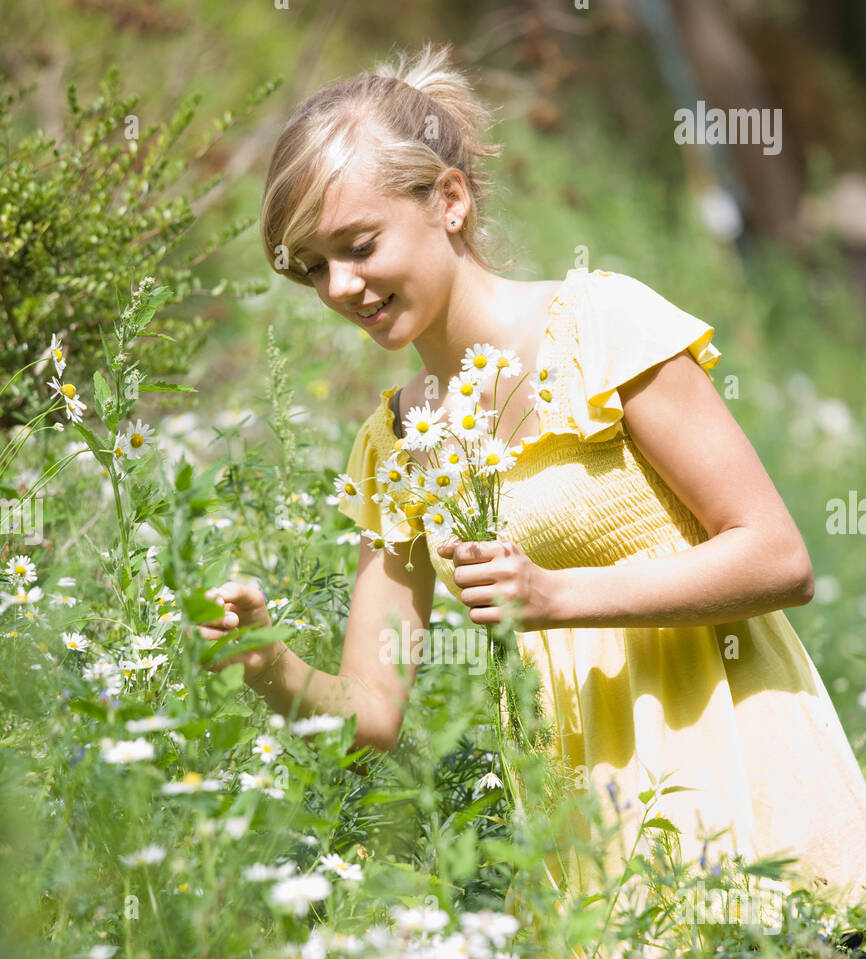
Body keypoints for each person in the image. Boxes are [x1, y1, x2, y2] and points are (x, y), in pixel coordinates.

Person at [197, 41, 866, 914]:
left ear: (449, 199)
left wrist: (556, 596)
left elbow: (778, 558)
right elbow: (373, 715)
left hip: (752, 799)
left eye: (357, 246)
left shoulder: (601, 328)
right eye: (314, 266)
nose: (340, 286)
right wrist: (265, 662)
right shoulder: (395, 445)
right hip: (589, 846)